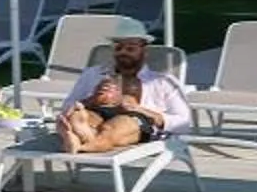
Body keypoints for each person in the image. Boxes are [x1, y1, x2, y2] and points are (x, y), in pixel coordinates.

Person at [54, 34, 190, 154]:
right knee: (76, 115)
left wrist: (142, 110)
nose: (123, 52)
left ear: (144, 52)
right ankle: (84, 138)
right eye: (118, 48)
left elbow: (184, 122)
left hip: (135, 118)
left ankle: (80, 141)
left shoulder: (162, 81)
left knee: (113, 127)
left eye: (130, 49)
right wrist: (91, 100)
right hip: (97, 113)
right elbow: (67, 106)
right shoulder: (94, 74)